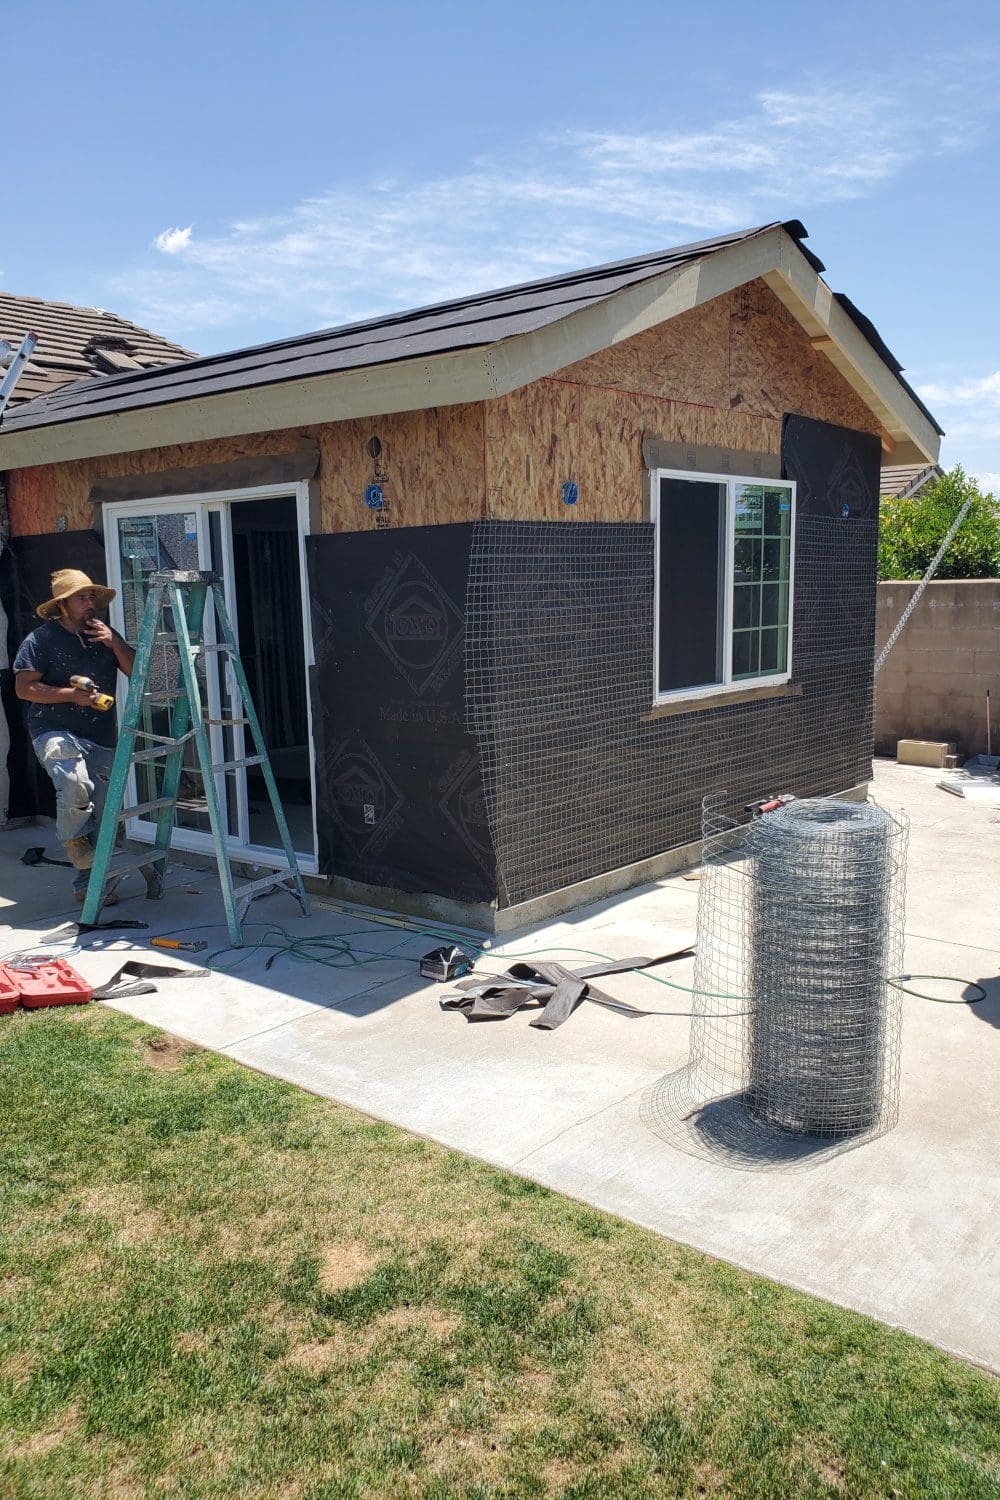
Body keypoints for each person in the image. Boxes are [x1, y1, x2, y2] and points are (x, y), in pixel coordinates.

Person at [13, 569, 135, 904]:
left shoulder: (104, 636)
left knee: (101, 813)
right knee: (74, 782)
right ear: (63, 605)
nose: (90, 603)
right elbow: (24, 688)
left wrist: (114, 642)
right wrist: (70, 694)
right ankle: (75, 849)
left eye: (92, 597)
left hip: (99, 735)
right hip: (52, 729)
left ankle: (87, 886)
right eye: (82, 598)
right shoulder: (41, 640)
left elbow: (136, 673)